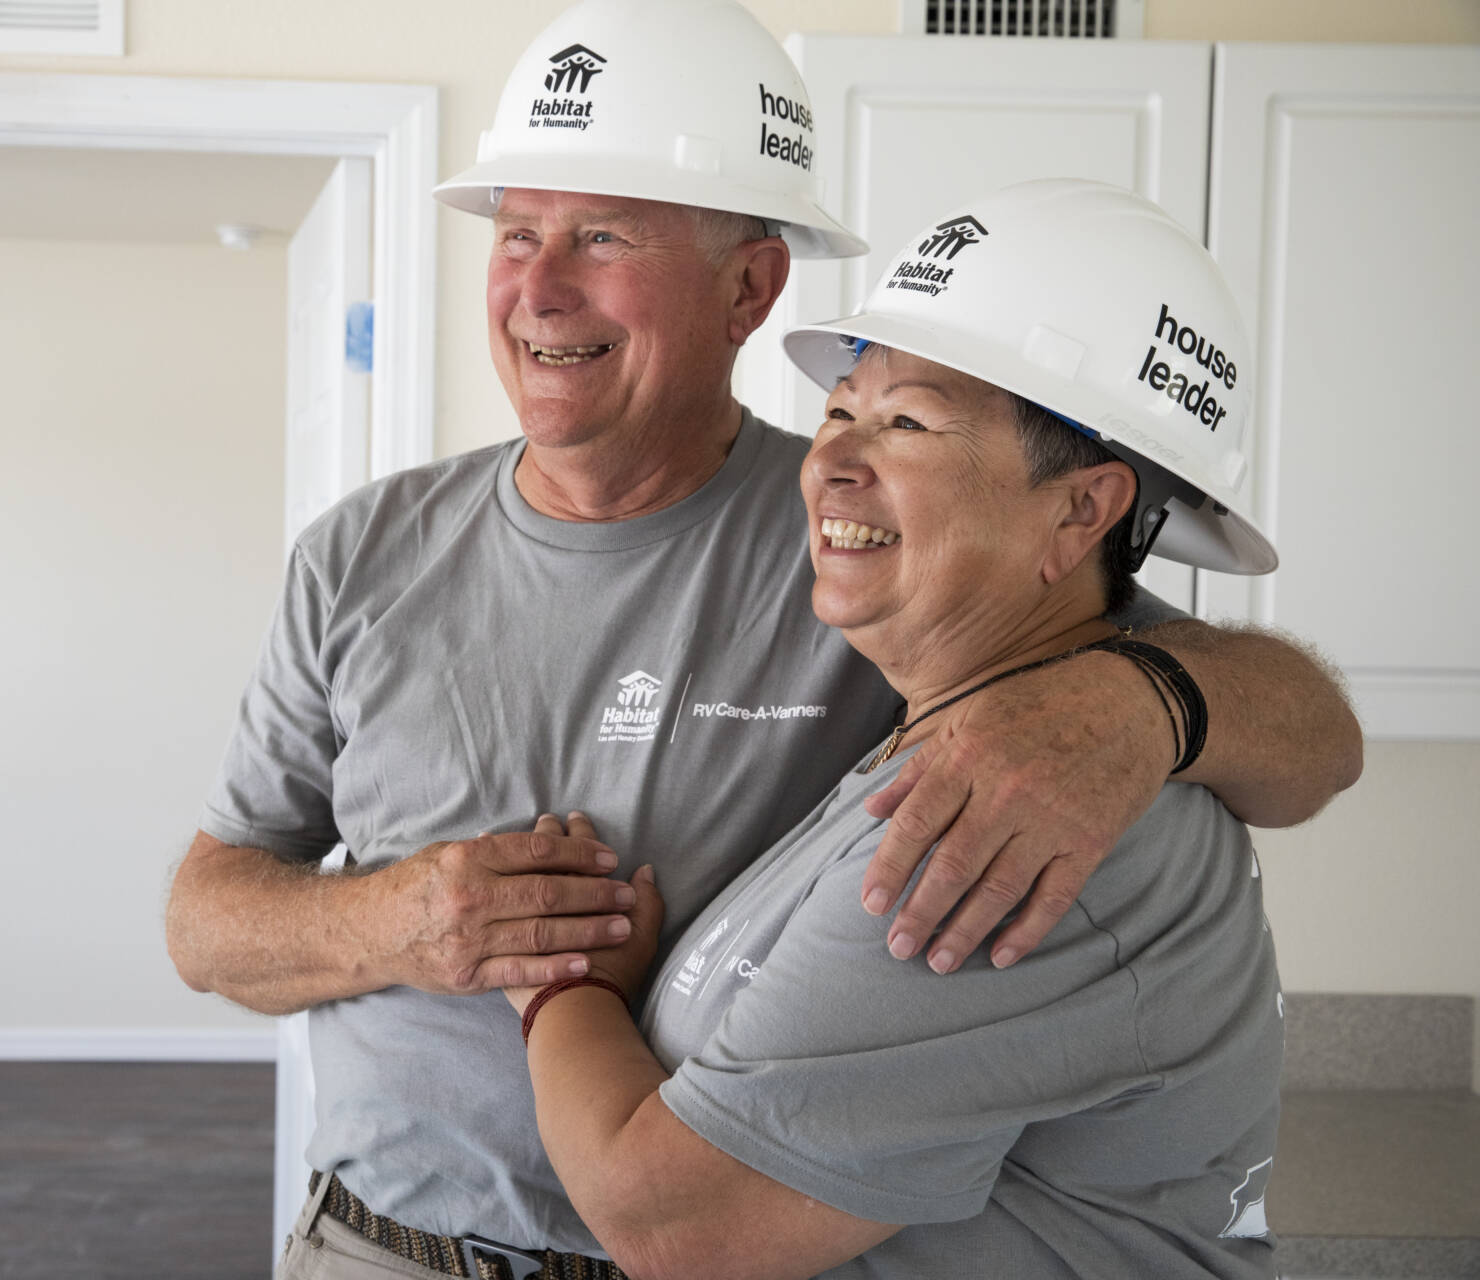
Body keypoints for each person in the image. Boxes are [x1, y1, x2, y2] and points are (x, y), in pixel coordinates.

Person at [163, 1, 1359, 1274]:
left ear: (750, 286)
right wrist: (405, 921)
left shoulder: (891, 556)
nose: (540, 287)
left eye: (604, 234)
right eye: (518, 234)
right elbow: (205, 916)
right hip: (376, 1245)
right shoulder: (362, 555)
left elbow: (1312, 737)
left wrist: (1141, 707)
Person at [504, 178, 1294, 1280]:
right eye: (841, 409)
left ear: (1081, 511)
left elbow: (677, 1221)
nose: (828, 459)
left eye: (909, 420)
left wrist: (562, 977)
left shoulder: (1016, 822)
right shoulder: (945, 732)